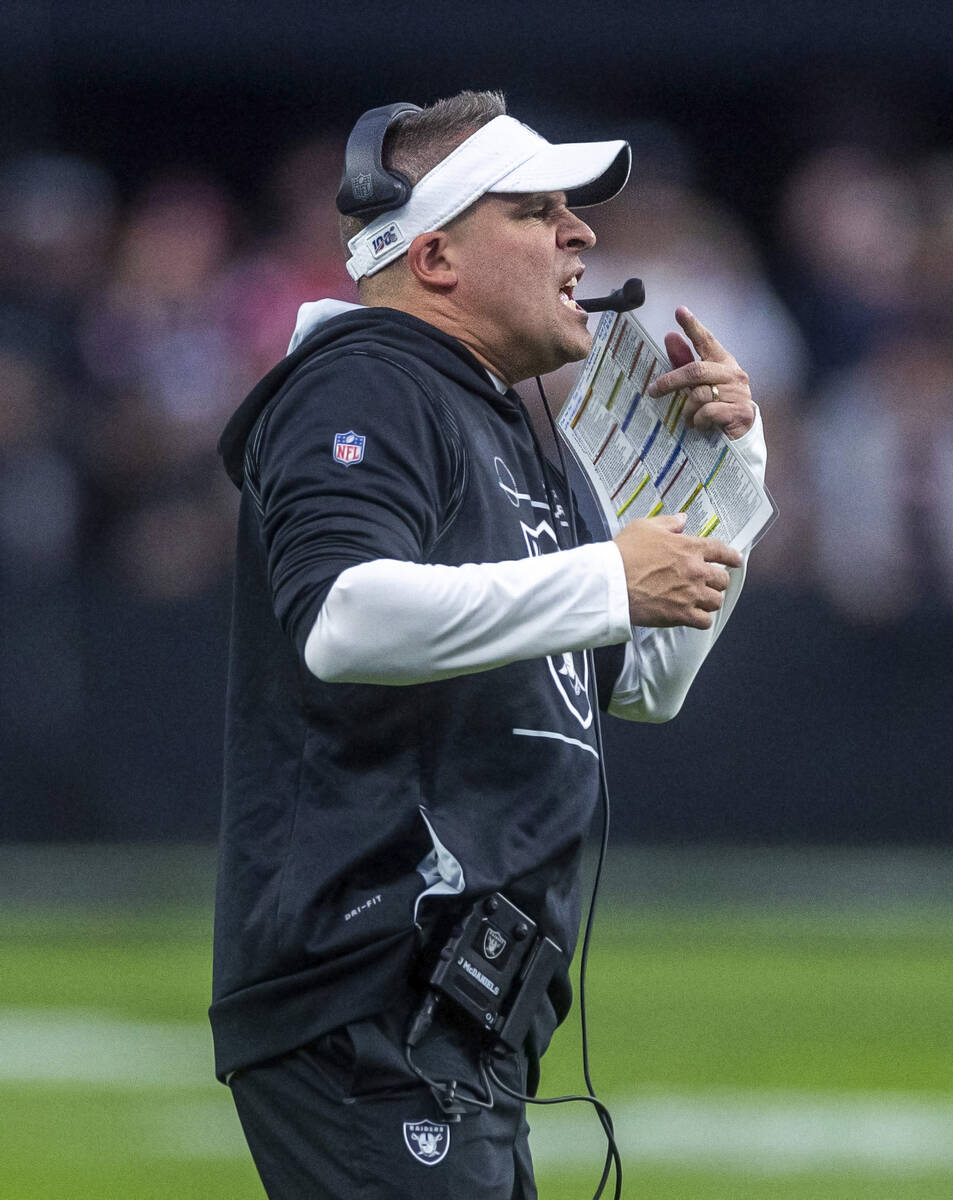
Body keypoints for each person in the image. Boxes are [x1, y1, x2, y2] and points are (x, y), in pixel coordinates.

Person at [211, 90, 767, 1200]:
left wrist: (729, 487)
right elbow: (344, 617)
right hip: (367, 991)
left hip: (465, 1008)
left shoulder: (519, 427)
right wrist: (611, 575)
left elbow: (643, 684)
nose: (583, 235)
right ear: (434, 255)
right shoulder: (364, 378)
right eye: (537, 211)